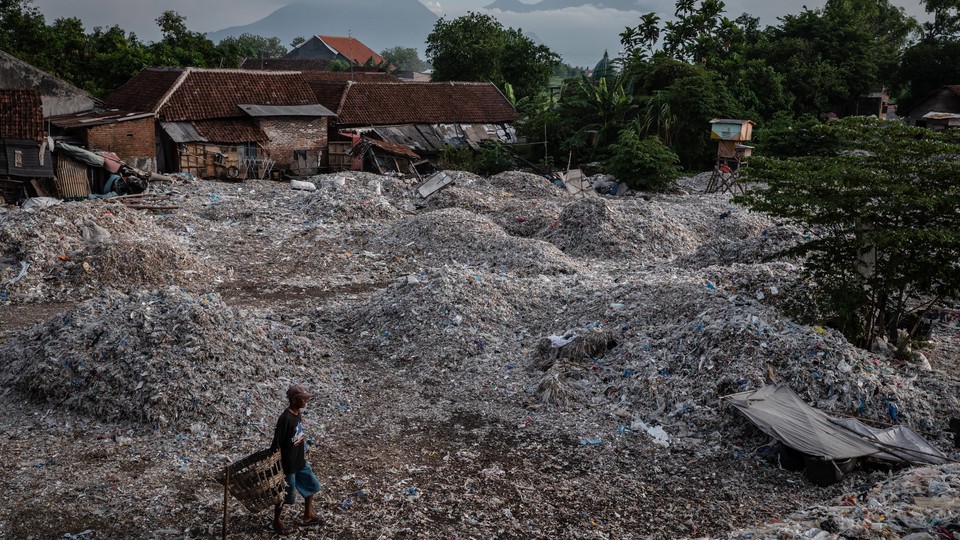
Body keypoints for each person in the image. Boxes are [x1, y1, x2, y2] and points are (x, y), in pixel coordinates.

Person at [271, 385, 323, 534]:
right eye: (303, 399)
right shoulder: (285, 418)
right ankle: (276, 521)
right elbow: (276, 444)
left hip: (300, 461)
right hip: (288, 465)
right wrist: (275, 464)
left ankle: (308, 515)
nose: (306, 401)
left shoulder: (297, 413)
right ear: (294, 400)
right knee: (284, 494)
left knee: (311, 484)